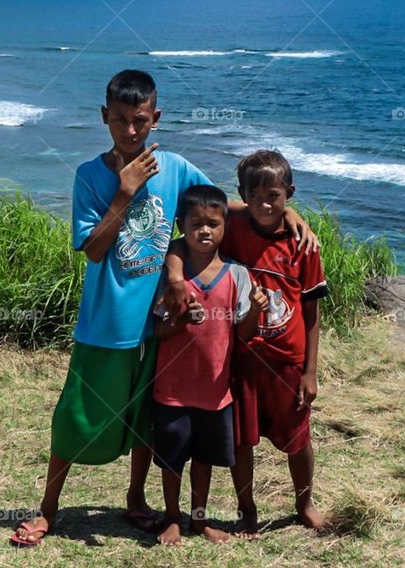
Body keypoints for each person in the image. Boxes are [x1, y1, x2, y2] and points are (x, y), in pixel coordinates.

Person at [11, 73, 316, 545]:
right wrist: (126, 190)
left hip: (160, 326)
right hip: (107, 325)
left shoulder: (173, 167)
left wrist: (282, 212)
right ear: (103, 117)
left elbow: (217, 206)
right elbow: (93, 250)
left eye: (139, 121)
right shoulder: (89, 176)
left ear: (155, 118)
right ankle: (48, 509)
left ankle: (136, 499)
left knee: (145, 420)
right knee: (76, 415)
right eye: (119, 120)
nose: (130, 132)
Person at [151, 185, 268, 546]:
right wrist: (182, 322)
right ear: (180, 225)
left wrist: (257, 308)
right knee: (172, 461)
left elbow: (243, 333)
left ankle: (198, 520)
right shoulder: (173, 276)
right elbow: (158, 328)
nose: (205, 230)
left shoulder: (237, 275)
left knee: (204, 460)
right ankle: (172, 517)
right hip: (172, 389)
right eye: (196, 223)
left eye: (213, 224)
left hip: (216, 392)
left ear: (224, 228)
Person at [221, 149, 330, 536]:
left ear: (290, 194)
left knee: (298, 438)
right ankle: (246, 508)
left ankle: (304, 503)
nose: (265, 204)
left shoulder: (303, 246)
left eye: (275, 197)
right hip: (244, 358)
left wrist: (310, 371)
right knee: (242, 441)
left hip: (288, 361)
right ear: (242, 195)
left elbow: (312, 311)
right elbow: (205, 208)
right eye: (256, 196)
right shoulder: (232, 228)